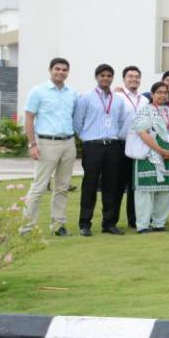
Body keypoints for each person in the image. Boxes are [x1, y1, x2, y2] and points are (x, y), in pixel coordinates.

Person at [21, 57, 78, 236]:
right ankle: (26, 228)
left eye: (64, 70)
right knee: (39, 186)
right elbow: (29, 118)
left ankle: (58, 225)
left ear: (68, 72)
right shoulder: (38, 91)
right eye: (57, 69)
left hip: (68, 143)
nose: (61, 72)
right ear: (50, 70)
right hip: (46, 143)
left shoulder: (72, 93)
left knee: (62, 187)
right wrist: (32, 144)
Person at [73, 63, 130, 236]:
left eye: (109, 75)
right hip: (93, 146)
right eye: (102, 75)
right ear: (97, 77)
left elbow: (120, 122)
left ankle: (109, 222)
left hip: (112, 146)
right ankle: (85, 223)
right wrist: (87, 138)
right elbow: (77, 122)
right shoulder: (86, 97)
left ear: (112, 78)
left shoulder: (118, 100)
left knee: (111, 185)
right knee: (90, 185)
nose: (105, 78)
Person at [130, 82, 169, 233]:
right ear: (152, 94)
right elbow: (143, 133)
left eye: (165, 92)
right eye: (159, 92)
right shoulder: (144, 111)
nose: (162, 95)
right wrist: (160, 150)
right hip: (149, 154)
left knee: (166, 191)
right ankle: (143, 225)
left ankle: (159, 223)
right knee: (145, 192)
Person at [116, 65, 146, 229]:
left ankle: (133, 219)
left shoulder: (144, 99)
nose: (134, 79)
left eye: (136, 76)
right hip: (121, 144)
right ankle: (111, 221)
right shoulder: (117, 97)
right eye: (130, 76)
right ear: (124, 79)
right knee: (118, 184)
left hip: (139, 145)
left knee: (135, 184)